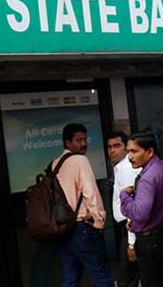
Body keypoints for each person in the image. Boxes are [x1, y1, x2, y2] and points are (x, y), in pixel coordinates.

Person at [52, 123, 113, 287]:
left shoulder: (55, 163)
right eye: (78, 140)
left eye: (85, 139)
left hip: (65, 227)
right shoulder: (80, 160)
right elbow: (90, 192)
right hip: (83, 227)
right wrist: (99, 220)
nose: (84, 143)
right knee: (101, 274)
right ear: (67, 142)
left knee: (70, 277)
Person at [120, 131, 163, 287]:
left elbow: (140, 213)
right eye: (128, 151)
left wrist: (124, 197)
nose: (129, 156)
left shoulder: (147, 178)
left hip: (151, 243)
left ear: (149, 152)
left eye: (134, 151)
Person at [108, 131, 141, 287]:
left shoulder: (127, 168)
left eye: (117, 146)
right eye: (109, 147)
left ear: (126, 147)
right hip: (126, 229)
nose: (112, 150)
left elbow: (132, 208)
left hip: (130, 229)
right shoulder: (120, 168)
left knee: (127, 279)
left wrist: (131, 243)